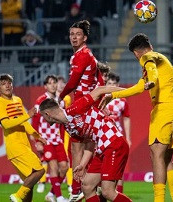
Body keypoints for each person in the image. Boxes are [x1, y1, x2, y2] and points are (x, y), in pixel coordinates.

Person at [100, 33, 173, 202]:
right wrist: (114, 95)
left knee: (156, 155)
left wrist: (152, 82)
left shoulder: (147, 57)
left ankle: (159, 200)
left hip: (164, 108)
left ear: (136, 53)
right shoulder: (161, 58)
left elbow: (151, 74)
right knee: (165, 158)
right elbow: (140, 87)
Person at [39, 86, 132, 202]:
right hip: (102, 148)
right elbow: (90, 143)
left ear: (48, 114)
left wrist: (132, 90)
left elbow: (99, 90)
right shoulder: (68, 127)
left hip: (114, 143)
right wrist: (82, 165)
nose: (44, 120)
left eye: (42, 116)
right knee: (87, 186)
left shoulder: (75, 109)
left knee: (108, 192)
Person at [58, 19, 104, 201]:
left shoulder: (81, 55)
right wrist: (99, 101)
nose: (74, 37)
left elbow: (73, 82)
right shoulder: (89, 55)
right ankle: (90, 185)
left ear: (84, 37)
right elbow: (100, 80)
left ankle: (77, 189)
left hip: (82, 106)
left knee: (77, 147)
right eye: (71, 34)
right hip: (88, 104)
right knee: (88, 146)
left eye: (78, 34)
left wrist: (60, 97)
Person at [0, 73, 46, 202]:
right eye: (3, 84)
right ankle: (17, 196)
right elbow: (6, 124)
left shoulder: (18, 100)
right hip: (14, 145)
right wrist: (27, 114)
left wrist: (37, 136)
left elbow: (24, 123)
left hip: (24, 144)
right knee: (39, 171)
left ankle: (21, 197)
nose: (7, 85)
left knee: (30, 183)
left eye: (9, 83)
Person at [31, 75, 69, 202]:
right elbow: (35, 122)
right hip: (45, 140)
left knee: (64, 167)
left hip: (58, 140)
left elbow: (63, 122)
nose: (53, 85)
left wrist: (64, 138)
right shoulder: (40, 101)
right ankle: (59, 197)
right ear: (45, 86)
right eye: (50, 83)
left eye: (54, 83)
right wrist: (37, 141)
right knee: (53, 166)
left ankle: (52, 194)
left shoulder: (61, 101)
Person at [103, 72, 131, 194]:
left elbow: (126, 118)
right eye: (109, 83)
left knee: (119, 168)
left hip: (117, 137)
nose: (112, 86)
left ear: (118, 84)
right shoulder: (101, 99)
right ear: (105, 84)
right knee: (102, 167)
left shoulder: (122, 101)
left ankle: (120, 195)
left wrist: (128, 138)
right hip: (103, 138)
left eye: (114, 84)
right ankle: (104, 194)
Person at [56, 76, 73, 193]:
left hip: (64, 130)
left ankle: (70, 184)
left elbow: (67, 114)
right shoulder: (49, 98)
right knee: (49, 159)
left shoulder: (66, 98)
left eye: (64, 83)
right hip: (53, 131)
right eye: (60, 83)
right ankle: (43, 182)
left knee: (67, 157)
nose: (62, 85)